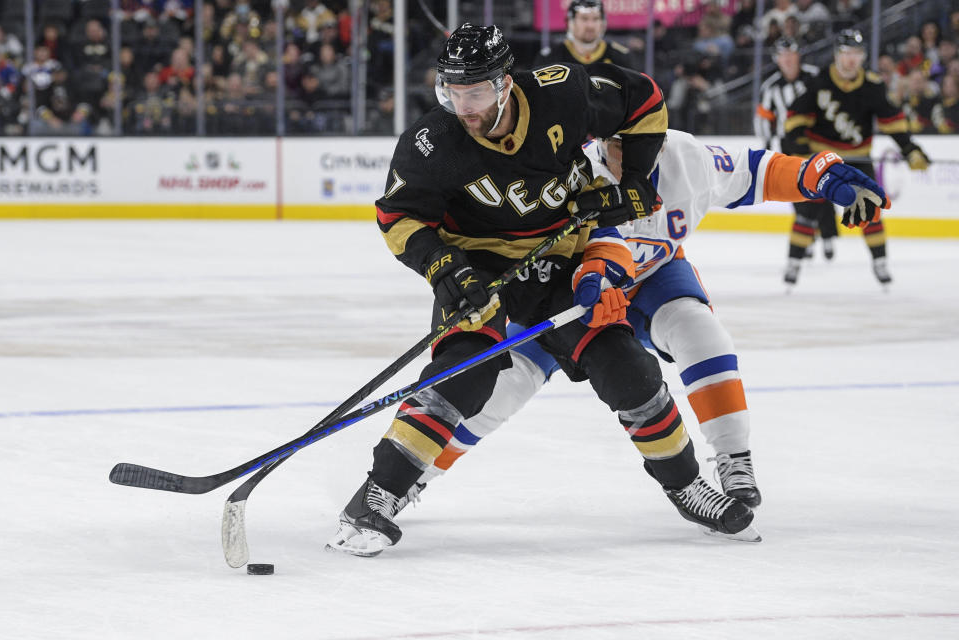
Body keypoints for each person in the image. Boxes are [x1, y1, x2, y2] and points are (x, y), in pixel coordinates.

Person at [327, 24, 756, 558]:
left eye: (476, 92)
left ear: (506, 83)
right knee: (465, 372)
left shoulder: (562, 93)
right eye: (452, 93)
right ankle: (376, 496)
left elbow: (643, 98)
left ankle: (687, 486)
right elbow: (397, 217)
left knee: (628, 367)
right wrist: (446, 271)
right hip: (477, 268)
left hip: (561, 257)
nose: (464, 107)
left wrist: (638, 181)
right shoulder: (431, 141)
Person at [391, 132, 890, 519]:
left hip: (651, 278)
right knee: (505, 386)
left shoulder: (686, 158)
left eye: (633, 141)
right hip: (566, 290)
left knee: (699, 331)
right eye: (610, 142)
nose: (619, 154)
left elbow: (760, 170)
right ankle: (416, 474)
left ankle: (734, 458)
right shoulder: (568, 170)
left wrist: (825, 177)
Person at [783, 29, 930, 288]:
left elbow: (892, 121)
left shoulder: (872, 85)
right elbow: (795, 117)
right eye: (846, 53)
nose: (851, 59)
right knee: (807, 210)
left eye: (856, 54)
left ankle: (880, 262)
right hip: (823, 159)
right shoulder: (820, 82)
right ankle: (793, 263)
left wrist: (910, 149)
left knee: (869, 208)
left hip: (858, 159)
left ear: (862, 56)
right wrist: (800, 148)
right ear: (838, 55)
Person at [755, 39, 838, 267]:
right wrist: (766, 146)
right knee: (798, 190)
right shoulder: (771, 87)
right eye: (783, 55)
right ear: (777, 59)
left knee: (825, 187)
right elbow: (763, 119)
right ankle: (809, 236)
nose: (788, 59)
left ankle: (828, 235)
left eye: (792, 54)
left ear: (799, 56)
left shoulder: (814, 76)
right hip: (789, 145)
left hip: (817, 140)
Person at [533, 0, 637, 69]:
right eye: (584, 19)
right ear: (570, 22)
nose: (590, 26)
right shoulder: (549, 58)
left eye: (596, 19)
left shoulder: (621, 57)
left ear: (603, 23)